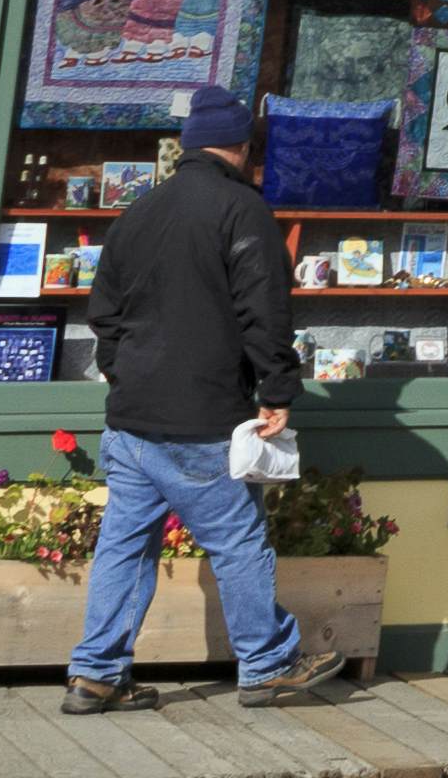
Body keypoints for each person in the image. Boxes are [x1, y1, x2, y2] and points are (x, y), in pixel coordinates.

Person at [64, 86, 343, 710]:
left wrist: (124, 374)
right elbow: (263, 311)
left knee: (124, 548)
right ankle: (268, 665)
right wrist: (277, 389)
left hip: (132, 418)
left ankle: (95, 675)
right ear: (242, 147)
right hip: (204, 415)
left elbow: (103, 314)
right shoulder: (243, 210)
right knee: (237, 543)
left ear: (188, 145)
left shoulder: (139, 211)